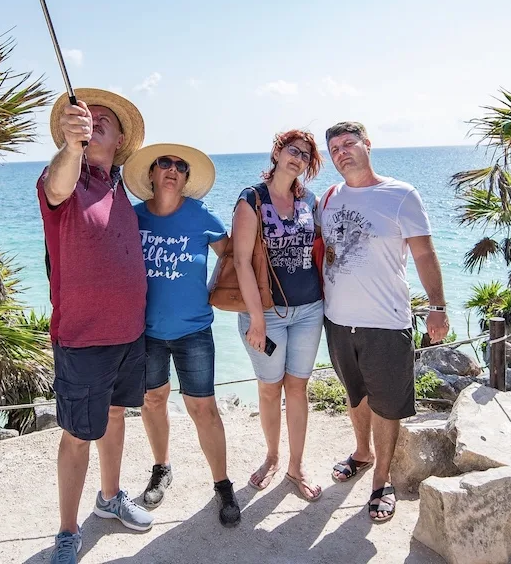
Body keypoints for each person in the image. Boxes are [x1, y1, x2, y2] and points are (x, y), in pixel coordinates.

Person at [37, 88, 154, 564]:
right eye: (88, 115)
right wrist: (71, 148)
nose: (95, 118)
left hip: (129, 333)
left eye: (106, 117)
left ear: (122, 137)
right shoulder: (65, 176)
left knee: (115, 417)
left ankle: (110, 498)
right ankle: (67, 530)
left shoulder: (119, 187)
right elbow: (57, 188)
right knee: (76, 435)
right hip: (82, 336)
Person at [318, 121, 449, 523]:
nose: (342, 152)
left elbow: (424, 254)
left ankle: (382, 479)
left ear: (367, 145)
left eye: (349, 143)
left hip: (386, 321)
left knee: (387, 404)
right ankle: (362, 452)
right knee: (354, 394)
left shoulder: (400, 194)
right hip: (337, 320)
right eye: (334, 147)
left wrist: (438, 306)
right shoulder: (329, 198)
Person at [123, 143, 241, 527]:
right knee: (152, 401)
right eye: (165, 163)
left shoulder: (201, 217)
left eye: (181, 166)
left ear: (187, 179)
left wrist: (212, 290)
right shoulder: (132, 218)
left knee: (202, 407)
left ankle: (222, 484)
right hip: (146, 332)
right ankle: (161, 468)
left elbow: (230, 256)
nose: (173, 169)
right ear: (152, 174)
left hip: (194, 331)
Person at [232, 130, 325, 502]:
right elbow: (240, 262)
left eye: (305, 155)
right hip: (265, 315)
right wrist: (256, 318)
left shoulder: (310, 200)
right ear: (276, 152)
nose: (297, 158)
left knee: (298, 387)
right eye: (292, 150)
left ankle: (296, 465)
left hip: (309, 309)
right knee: (270, 389)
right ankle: (271, 457)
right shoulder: (251, 198)